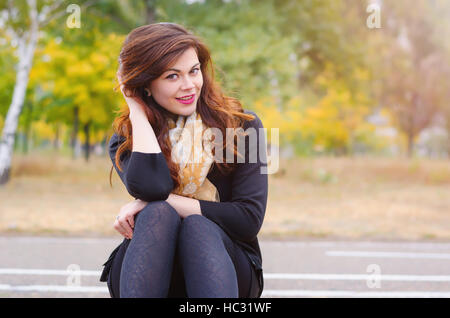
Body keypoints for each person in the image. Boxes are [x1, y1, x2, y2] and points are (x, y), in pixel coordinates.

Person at [99, 22, 268, 298]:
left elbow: (247, 219)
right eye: (172, 76)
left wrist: (154, 202)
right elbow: (151, 188)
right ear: (145, 85)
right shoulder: (128, 139)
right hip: (149, 268)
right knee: (157, 214)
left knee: (197, 226)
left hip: (225, 264)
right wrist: (136, 111)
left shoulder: (239, 128)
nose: (189, 85)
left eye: (194, 71)